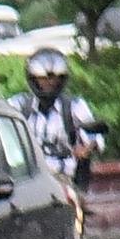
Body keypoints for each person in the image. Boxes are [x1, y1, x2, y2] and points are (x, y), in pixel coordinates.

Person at [19, 48, 103, 200]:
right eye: (43, 79)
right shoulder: (19, 105)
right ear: (33, 79)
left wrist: (86, 148)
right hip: (28, 180)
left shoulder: (74, 106)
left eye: (55, 79)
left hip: (64, 178)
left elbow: (95, 135)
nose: (50, 83)